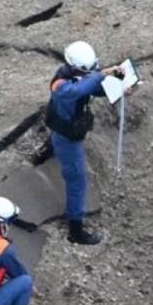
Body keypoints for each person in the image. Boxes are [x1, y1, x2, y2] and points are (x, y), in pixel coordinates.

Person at [45, 41, 124, 245]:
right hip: (67, 135)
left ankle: (45, 150)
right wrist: (101, 74)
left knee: (55, 138)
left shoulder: (77, 75)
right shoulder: (62, 87)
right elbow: (79, 91)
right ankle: (75, 229)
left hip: (64, 126)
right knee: (77, 180)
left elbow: (93, 88)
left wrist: (117, 86)